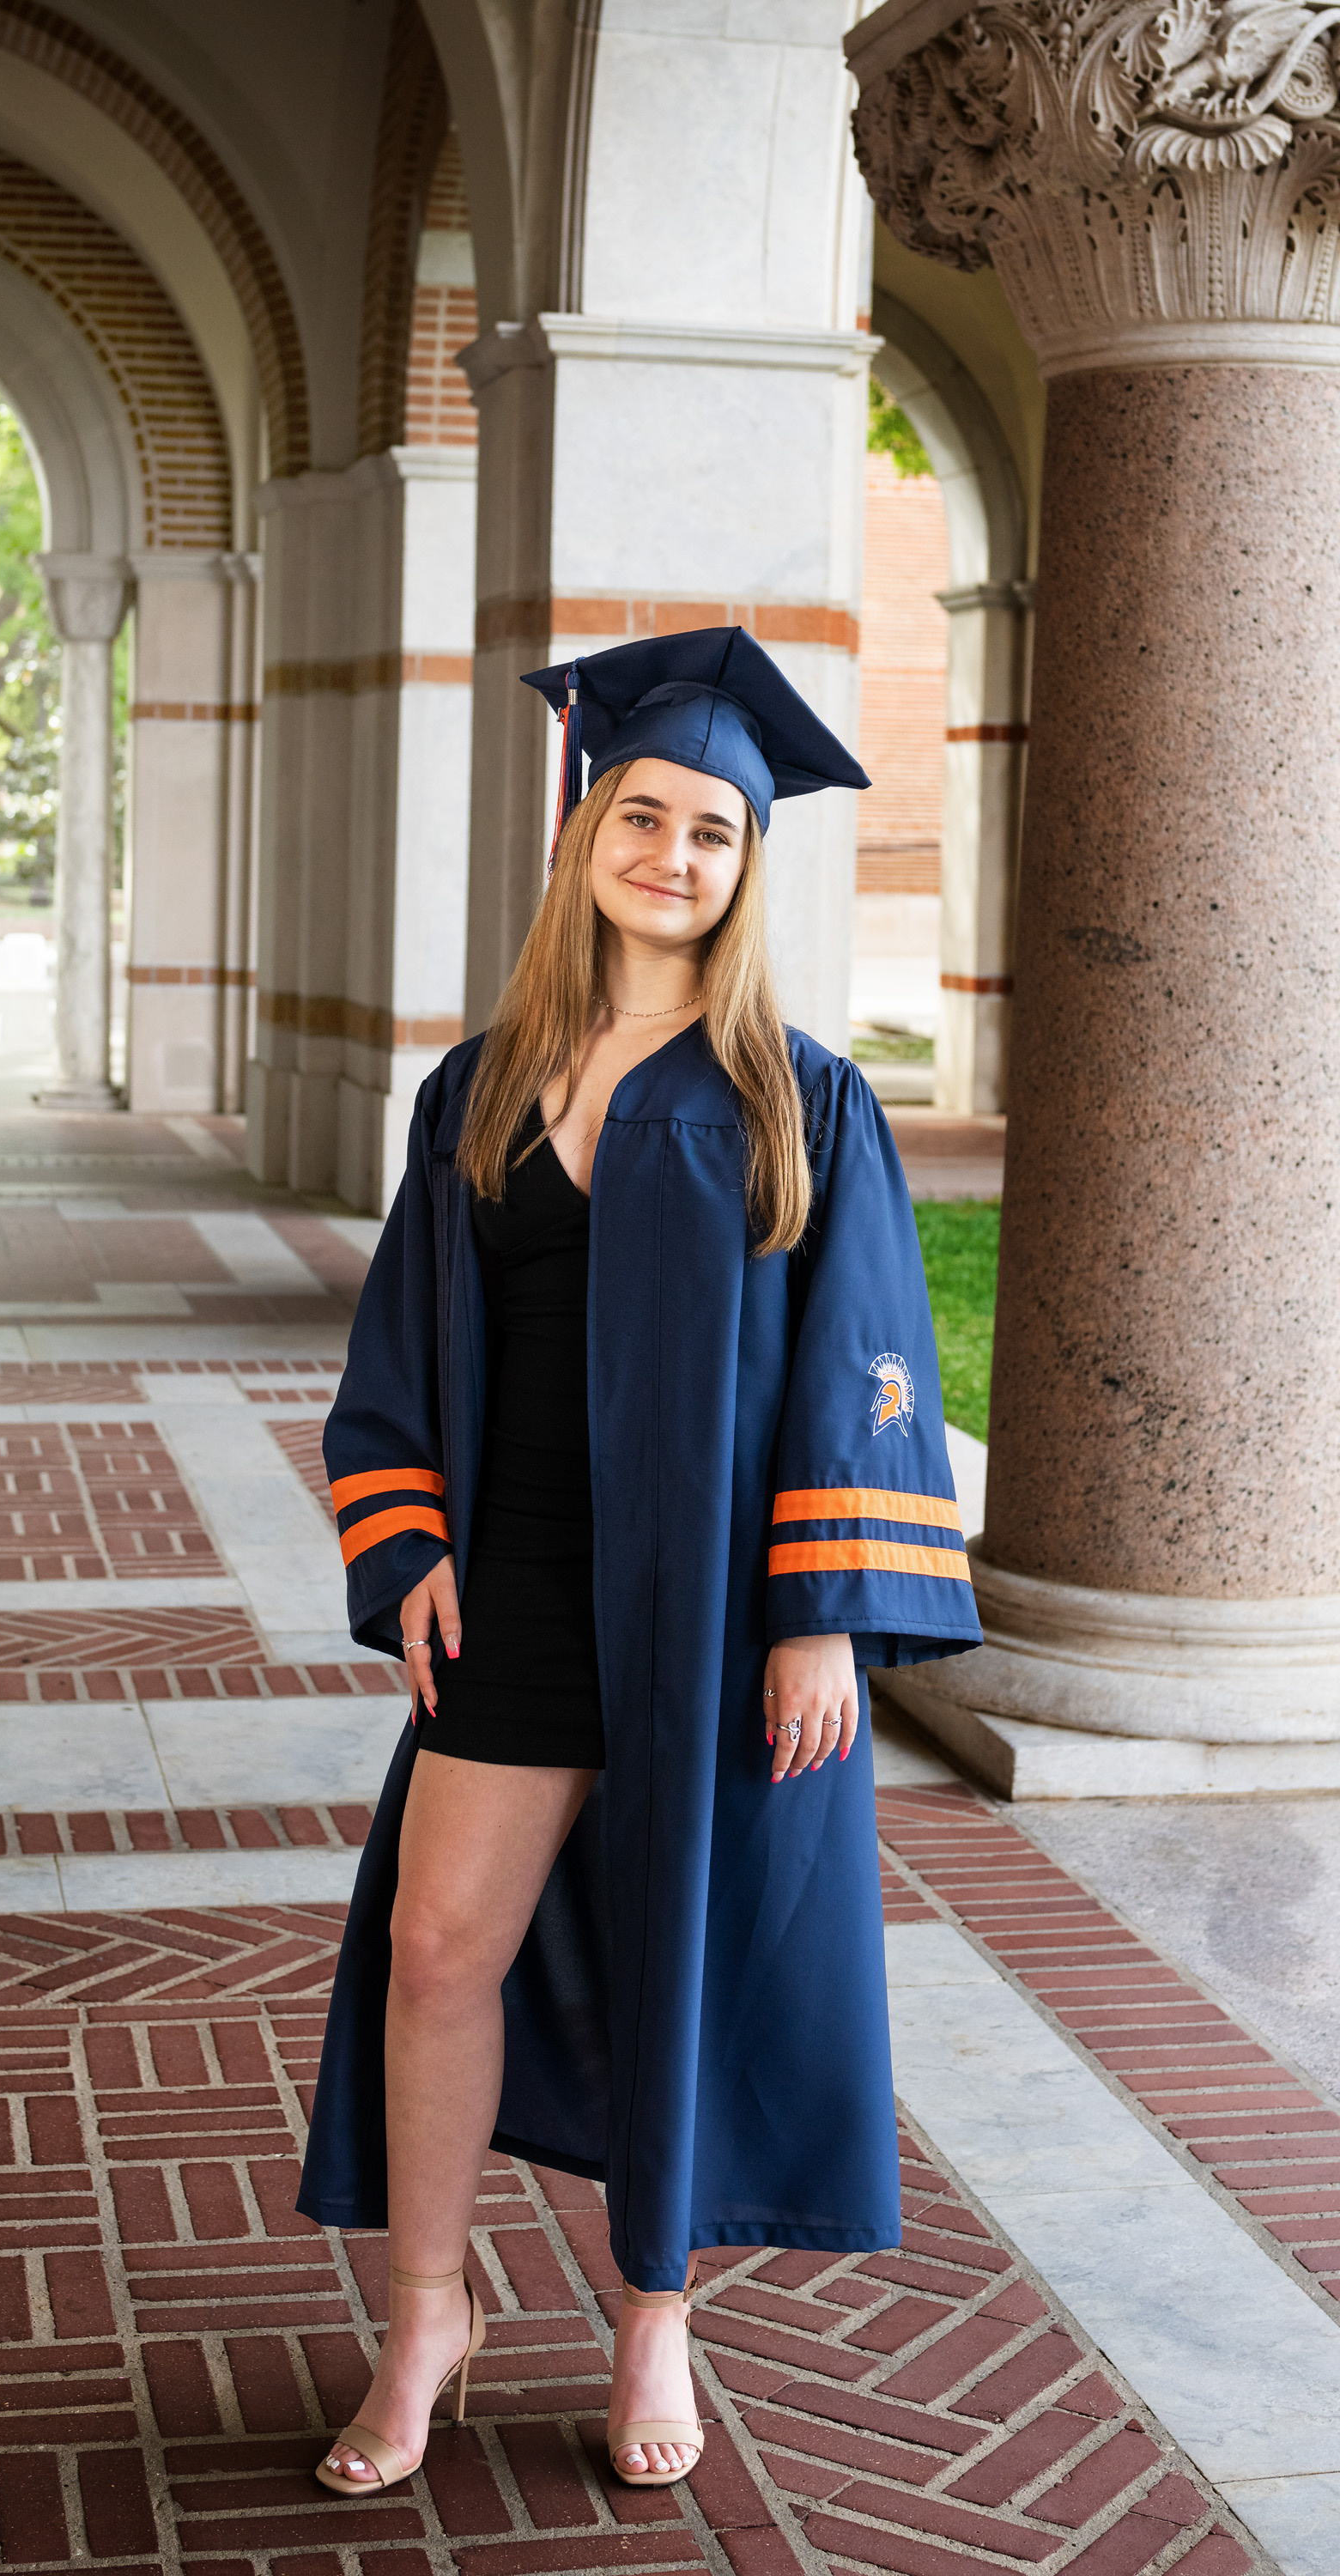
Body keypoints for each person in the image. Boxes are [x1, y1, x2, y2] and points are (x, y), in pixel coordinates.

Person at [298, 627, 982, 2499]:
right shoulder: (478, 1087)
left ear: (748, 865)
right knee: (440, 1948)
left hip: (717, 1606)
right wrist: (410, 1540)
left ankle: (653, 2313)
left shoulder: (800, 1099)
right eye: (644, 816)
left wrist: (821, 1619)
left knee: (682, 1952)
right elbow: (397, 1343)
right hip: (518, 1581)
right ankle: (428, 2310)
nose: (673, 855)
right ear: (583, 830)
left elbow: (866, 1366)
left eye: (712, 832)